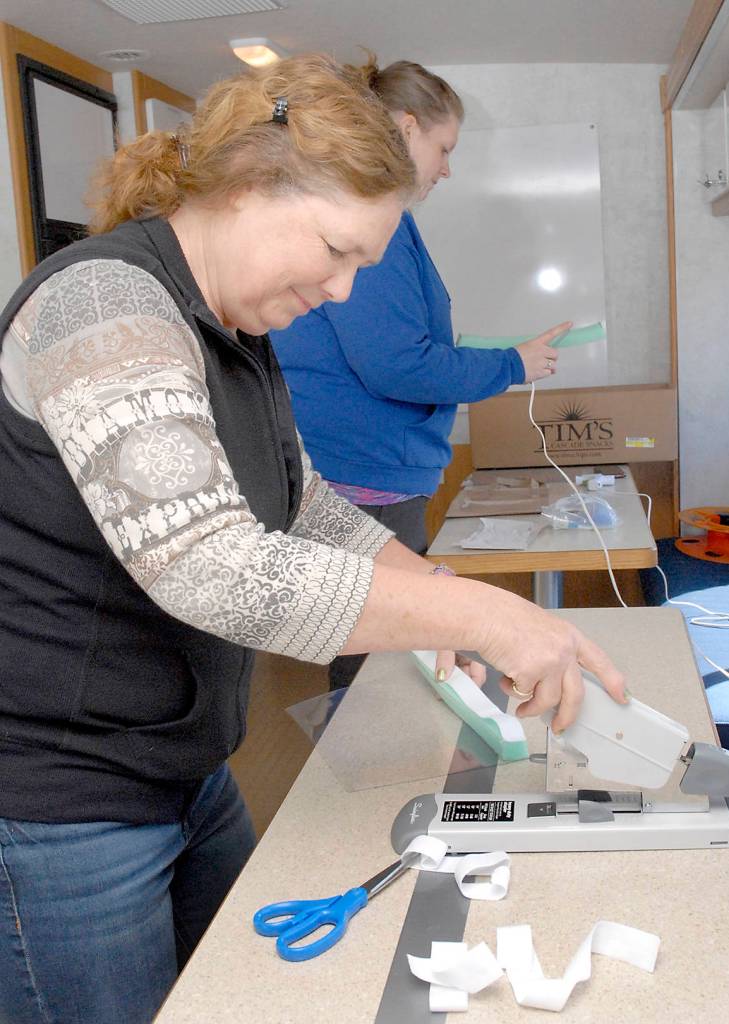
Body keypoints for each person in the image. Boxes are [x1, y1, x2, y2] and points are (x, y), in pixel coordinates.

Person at [0, 54, 625, 1024]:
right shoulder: (104, 306)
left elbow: (301, 503)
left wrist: (435, 595)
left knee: (250, 996)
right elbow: (214, 566)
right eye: (335, 251)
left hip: (182, 764)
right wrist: (484, 615)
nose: (341, 293)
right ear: (250, 186)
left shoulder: (235, 335)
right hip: (62, 801)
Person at [270, 57, 571, 689]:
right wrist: (513, 363)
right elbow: (396, 364)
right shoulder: (372, 224)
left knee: (389, 665)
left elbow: (394, 350)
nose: (447, 167)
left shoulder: (386, 225)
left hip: (365, 474)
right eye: (444, 148)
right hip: (363, 479)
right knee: (378, 681)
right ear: (406, 129)